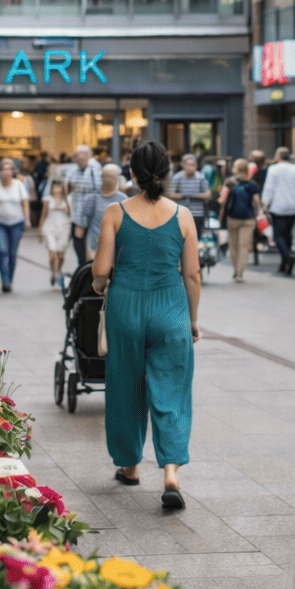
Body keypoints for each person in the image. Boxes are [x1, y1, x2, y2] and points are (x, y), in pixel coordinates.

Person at [91, 140, 201, 510]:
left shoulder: (114, 212)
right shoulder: (183, 215)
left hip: (125, 308)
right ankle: (171, 473)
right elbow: (193, 275)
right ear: (167, 173)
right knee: (172, 391)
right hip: (170, 308)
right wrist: (194, 320)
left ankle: (130, 465)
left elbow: (102, 271)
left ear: (132, 173)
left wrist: (98, 284)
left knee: (124, 386)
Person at [0, 158, 30, 293]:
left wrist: (27, 220)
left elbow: (25, 203)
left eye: (9, 169)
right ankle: (5, 281)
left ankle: (10, 278)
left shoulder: (18, 185)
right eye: (3, 169)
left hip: (17, 223)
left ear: (13, 172)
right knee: (2, 251)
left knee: (12, 253)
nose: (6, 172)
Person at [259, 147, 295, 276]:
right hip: (292, 207)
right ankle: (285, 262)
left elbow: (268, 188)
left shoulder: (273, 169)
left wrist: (264, 204)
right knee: (287, 234)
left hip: (278, 207)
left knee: (278, 235)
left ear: (278, 156)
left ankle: (287, 257)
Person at [219, 159, 262, 283]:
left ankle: (235, 269)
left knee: (233, 245)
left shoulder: (230, 182)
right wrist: (260, 211)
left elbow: (222, 200)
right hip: (248, 219)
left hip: (233, 218)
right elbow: (257, 201)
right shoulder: (252, 184)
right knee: (244, 246)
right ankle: (239, 273)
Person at [75, 165, 128, 261]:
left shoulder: (124, 200)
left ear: (117, 179)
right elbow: (79, 230)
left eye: (111, 177)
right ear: (101, 177)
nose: (108, 179)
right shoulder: (92, 198)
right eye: (106, 176)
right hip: (94, 249)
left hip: (117, 250)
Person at [66, 144, 104, 267]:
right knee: (79, 245)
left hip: (91, 216)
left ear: (88, 156)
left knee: (91, 248)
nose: (79, 159)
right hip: (77, 214)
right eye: (77, 157)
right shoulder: (73, 169)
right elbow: (68, 188)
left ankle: (89, 271)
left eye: (82, 157)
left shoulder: (95, 169)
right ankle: (83, 271)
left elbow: (99, 191)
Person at [170, 154, 212, 237]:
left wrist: (192, 195)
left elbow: (208, 194)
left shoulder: (200, 177)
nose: (191, 167)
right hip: (181, 214)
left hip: (197, 214)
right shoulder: (177, 177)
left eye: (193, 165)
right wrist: (179, 195)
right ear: (184, 165)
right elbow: (170, 194)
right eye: (189, 165)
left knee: (196, 237)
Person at [41, 178, 72, 287]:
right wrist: (40, 230)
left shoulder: (68, 199)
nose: (57, 189)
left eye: (59, 186)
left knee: (61, 256)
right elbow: (43, 214)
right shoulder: (48, 199)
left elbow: (70, 214)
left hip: (64, 228)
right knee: (53, 255)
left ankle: (58, 269)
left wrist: (66, 199)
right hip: (50, 227)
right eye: (55, 186)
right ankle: (53, 272)